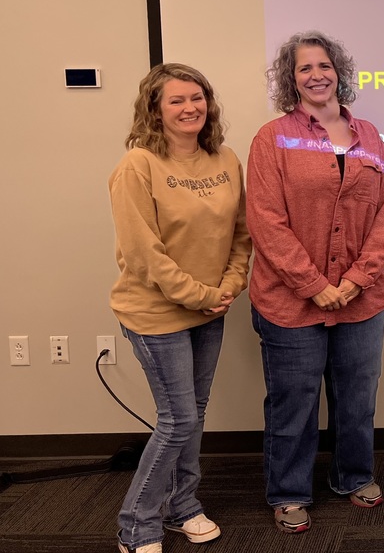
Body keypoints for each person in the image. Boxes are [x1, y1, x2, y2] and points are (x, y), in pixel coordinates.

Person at [247, 30, 384, 533]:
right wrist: (314, 285)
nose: (316, 75)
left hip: (361, 298)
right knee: (294, 400)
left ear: (340, 72)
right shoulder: (272, 139)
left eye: (324, 66)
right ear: (290, 81)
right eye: (304, 69)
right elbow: (266, 221)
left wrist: (357, 279)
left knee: (357, 396)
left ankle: (353, 476)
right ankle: (289, 492)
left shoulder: (371, 137)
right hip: (290, 301)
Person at [109, 64, 251, 553]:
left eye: (198, 98)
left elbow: (241, 235)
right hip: (156, 313)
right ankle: (136, 525)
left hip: (211, 308)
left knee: (195, 414)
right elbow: (143, 253)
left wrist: (230, 285)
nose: (190, 107)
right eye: (176, 100)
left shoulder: (225, 159)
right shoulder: (139, 165)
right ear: (155, 108)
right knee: (178, 419)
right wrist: (202, 294)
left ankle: (182, 506)